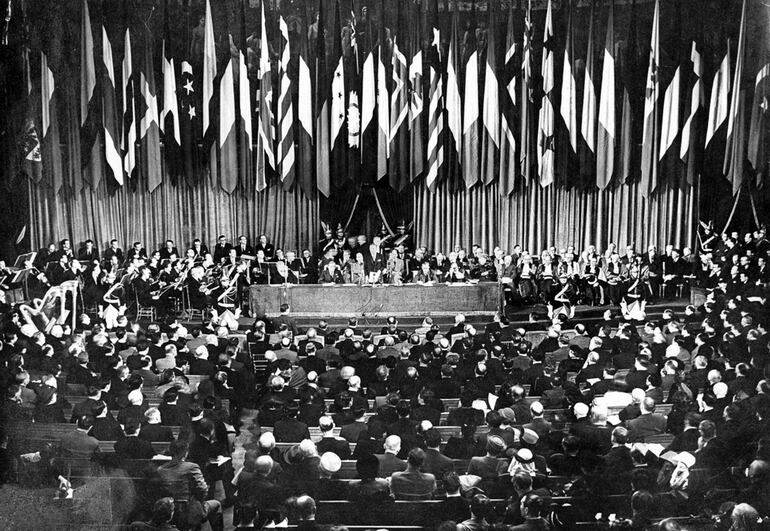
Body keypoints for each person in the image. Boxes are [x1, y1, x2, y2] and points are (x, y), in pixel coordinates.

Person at [153, 440, 223, 531]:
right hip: (188, 511)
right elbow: (203, 489)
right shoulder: (192, 467)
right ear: (185, 453)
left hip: (168, 510)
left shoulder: (160, 469)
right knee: (216, 504)